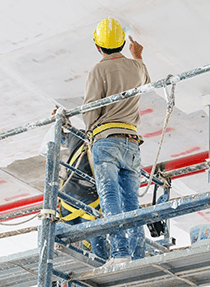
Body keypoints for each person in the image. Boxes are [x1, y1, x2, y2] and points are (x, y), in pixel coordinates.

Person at [82, 17, 150, 266]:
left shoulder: (98, 70)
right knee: (132, 201)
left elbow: (90, 110)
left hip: (106, 139)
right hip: (132, 141)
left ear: (97, 46)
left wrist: (91, 134)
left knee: (109, 195)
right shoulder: (136, 67)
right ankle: (138, 255)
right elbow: (145, 82)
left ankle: (120, 253)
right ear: (122, 43)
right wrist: (138, 56)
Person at [57, 129, 109, 261]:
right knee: (94, 232)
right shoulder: (102, 143)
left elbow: (62, 138)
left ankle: (62, 260)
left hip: (69, 197)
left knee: (64, 237)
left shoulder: (76, 137)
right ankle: (101, 261)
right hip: (87, 197)